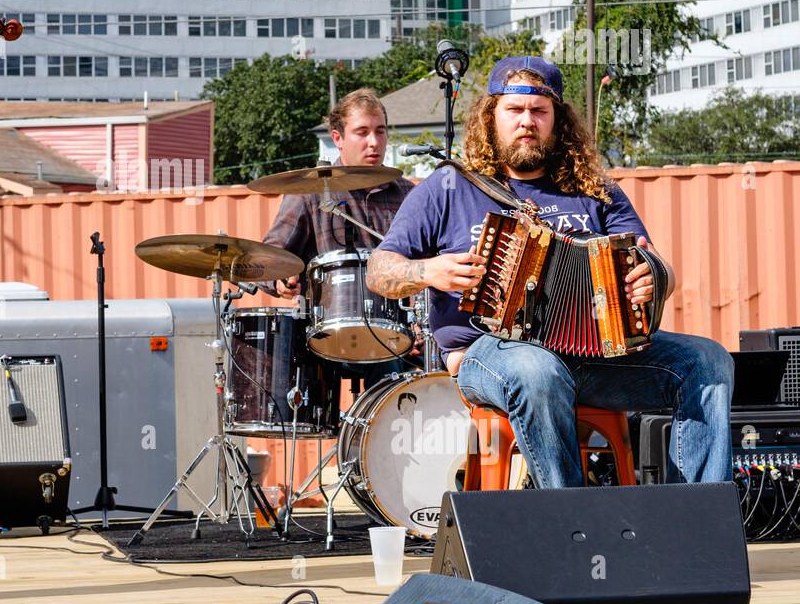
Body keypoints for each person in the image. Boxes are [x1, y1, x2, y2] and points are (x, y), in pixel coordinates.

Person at [366, 57, 731, 488]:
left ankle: (695, 519)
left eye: (539, 111)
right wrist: (428, 271)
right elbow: (379, 271)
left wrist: (655, 278)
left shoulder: (593, 189)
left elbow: (653, 259)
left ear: (557, 120)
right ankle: (570, 523)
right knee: (539, 371)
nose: (527, 122)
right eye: (514, 111)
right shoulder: (448, 187)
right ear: (491, 116)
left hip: (595, 358)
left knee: (708, 361)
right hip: (489, 353)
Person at [261, 88, 413, 298]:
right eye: (362, 132)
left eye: (380, 131)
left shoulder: (409, 194)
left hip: (401, 323)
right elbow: (267, 257)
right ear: (337, 138)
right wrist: (279, 278)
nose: (374, 142)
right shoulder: (309, 192)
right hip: (331, 320)